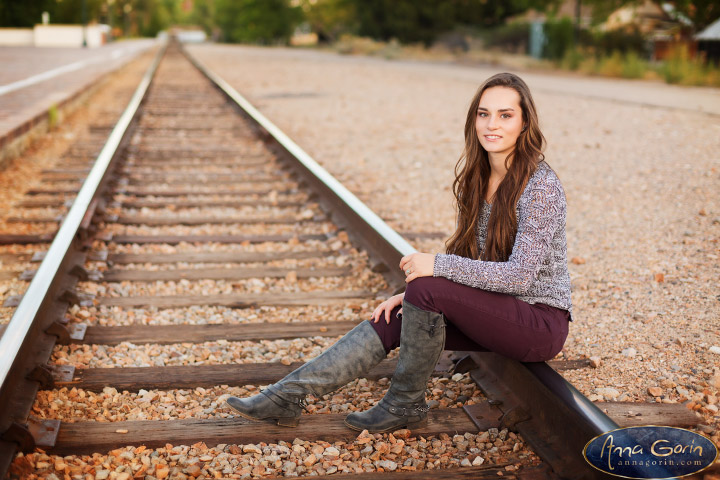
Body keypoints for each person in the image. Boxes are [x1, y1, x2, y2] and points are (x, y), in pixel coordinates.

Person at [225, 72, 572, 433]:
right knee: (399, 314)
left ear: (525, 122)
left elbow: (519, 276)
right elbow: (478, 262)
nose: (491, 124)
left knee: (425, 289)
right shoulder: (479, 177)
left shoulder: (541, 186)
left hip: (539, 324)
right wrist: (417, 296)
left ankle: (404, 404)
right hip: (501, 311)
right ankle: (286, 396)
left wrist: (434, 269)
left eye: (505, 115)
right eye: (483, 114)